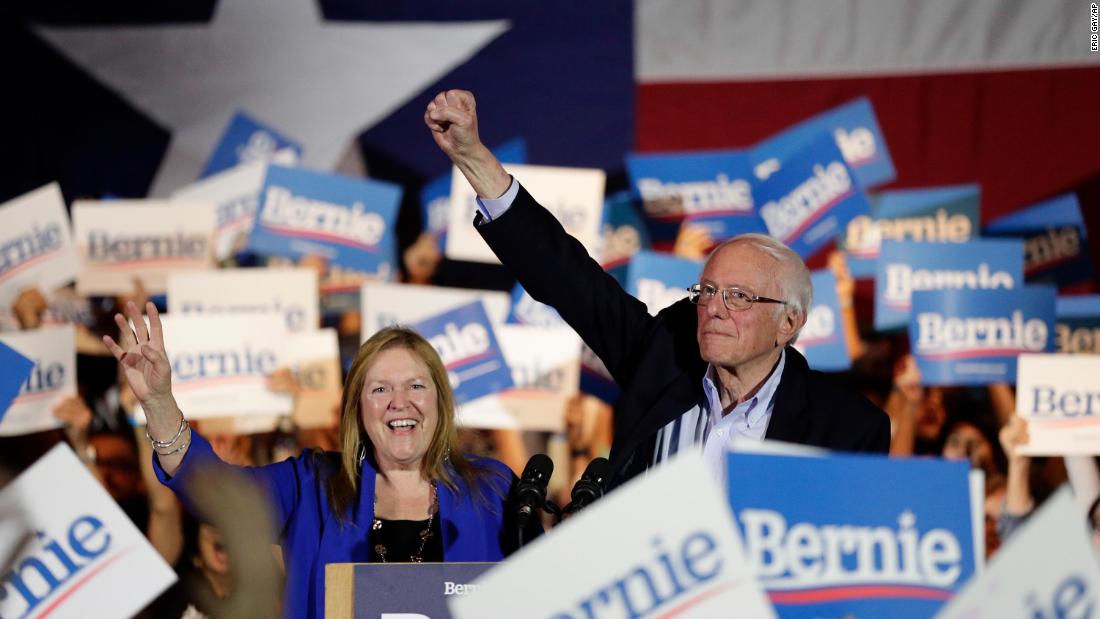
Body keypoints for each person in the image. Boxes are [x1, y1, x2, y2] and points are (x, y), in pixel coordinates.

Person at [425, 89, 889, 486]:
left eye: (739, 296)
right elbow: (567, 277)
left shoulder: (847, 428)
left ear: (788, 322)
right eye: (707, 290)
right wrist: (473, 158)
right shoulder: (663, 360)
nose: (714, 308)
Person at [104, 301, 529, 619]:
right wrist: (159, 402)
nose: (400, 403)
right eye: (380, 390)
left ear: (439, 399)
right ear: (357, 410)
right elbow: (216, 491)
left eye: (416, 386)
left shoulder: (491, 490)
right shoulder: (313, 486)